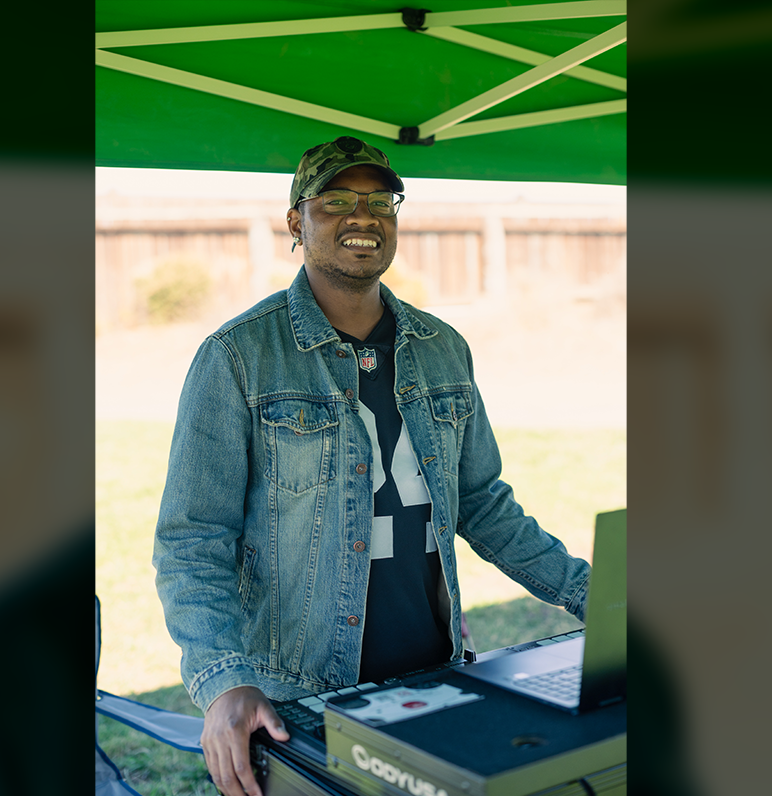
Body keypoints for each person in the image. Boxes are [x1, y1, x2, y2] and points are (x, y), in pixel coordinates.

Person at [153, 136, 591, 796]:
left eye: (380, 200)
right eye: (336, 201)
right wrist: (223, 680)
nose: (364, 217)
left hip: (435, 684)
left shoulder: (443, 349)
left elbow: (484, 505)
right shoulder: (238, 358)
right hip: (298, 707)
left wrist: (593, 595)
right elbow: (192, 542)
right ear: (296, 221)